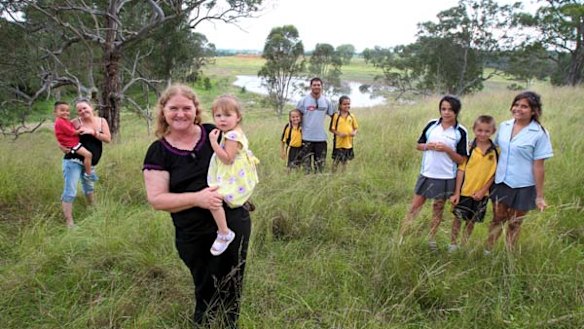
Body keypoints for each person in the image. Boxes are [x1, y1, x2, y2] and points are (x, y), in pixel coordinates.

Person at [143, 84, 251, 328]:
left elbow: (236, 162)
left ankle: (230, 324)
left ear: (196, 110)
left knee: (233, 282)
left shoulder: (214, 133)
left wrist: (241, 194)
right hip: (193, 232)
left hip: (234, 221)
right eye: (173, 108)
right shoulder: (158, 152)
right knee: (205, 287)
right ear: (163, 111)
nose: (180, 114)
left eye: (186, 108)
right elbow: (157, 199)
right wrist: (197, 198)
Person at [485, 91, 553, 253]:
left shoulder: (539, 133)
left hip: (524, 185)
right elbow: (492, 150)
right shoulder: (504, 126)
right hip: (501, 182)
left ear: (534, 111)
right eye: (516, 105)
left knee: (515, 222)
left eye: (524, 106)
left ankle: (509, 256)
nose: (518, 109)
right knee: (497, 218)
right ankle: (488, 251)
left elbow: (539, 166)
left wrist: (539, 195)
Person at [400, 95, 468, 249]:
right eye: (443, 109)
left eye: (450, 109)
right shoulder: (432, 125)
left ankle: (431, 239)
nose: (446, 112)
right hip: (427, 174)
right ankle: (402, 237)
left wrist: (447, 149)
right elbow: (419, 145)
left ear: (456, 111)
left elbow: (461, 160)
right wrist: (428, 146)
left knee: (438, 208)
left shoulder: (460, 131)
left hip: (446, 177)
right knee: (415, 206)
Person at [207, 95, 259, 256]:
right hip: (238, 172)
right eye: (218, 116)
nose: (222, 120)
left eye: (227, 115)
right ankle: (241, 201)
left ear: (238, 116)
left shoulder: (231, 136)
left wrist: (214, 143)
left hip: (232, 173)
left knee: (214, 199)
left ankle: (224, 232)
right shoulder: (235, 131)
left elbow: (228, 159)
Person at [448, 115, 498, 252]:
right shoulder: (469, 148)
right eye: (479, 130)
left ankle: (464, 245)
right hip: (465, 191)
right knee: (458, 218)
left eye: (487, 131)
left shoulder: (495, 151)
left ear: (493, 131)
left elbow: (494, 174)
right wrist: (457, 192)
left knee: (471, 221)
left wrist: (483, 190)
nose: (483, 134)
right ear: (474, 129)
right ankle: (453, 244)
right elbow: (460, 171)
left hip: (482, 194)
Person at [60, 98, 111, 228]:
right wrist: (62, 147)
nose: (83, 111)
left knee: (89, 187)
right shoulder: (75, 123)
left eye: (85, 108)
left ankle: (92, 207)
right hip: (73, 160)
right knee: (70, 190)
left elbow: (108, 139)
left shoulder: (101, 121)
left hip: (91, 163)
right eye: (79, 110)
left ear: (91, 107)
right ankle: (69, 222)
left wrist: (93, 132)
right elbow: (61, 136)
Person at [296, 77, 335, 173]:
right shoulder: (303, 101)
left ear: (322, 87)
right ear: (310, 86)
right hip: (306, 138)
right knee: (306, 168)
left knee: (320, 167)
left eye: (318, 85)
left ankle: (318, 185)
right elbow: (296, 118)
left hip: (321, 139)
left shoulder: (327, 101)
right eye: (314, 85)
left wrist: (334, 130)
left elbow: (334, 116)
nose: (316, 87)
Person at [53, 101, 98, 182]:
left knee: (87, 155)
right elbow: (70, 132)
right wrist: (80, 130)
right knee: (88, 155)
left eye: (67, 110)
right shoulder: (60, 121)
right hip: (71, 144)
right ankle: (88, 174)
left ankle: (87, 172)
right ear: (55, 112)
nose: (65, 112)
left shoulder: (64, 120)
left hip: (72, 142)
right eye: (62, 110)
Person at [329, 95, 358, 172]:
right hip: (338, 143)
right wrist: (339, 134)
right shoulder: (336, 116)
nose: (347, 106)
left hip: (348, 143)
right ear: (340, 105)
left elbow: (355, 128)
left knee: (345, 161)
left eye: (348, 104)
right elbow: (331, 129)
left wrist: (354, 133)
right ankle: (333, 174)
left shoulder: (351, 116)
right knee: (336, 161)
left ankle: (343, 175)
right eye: (344, 104)